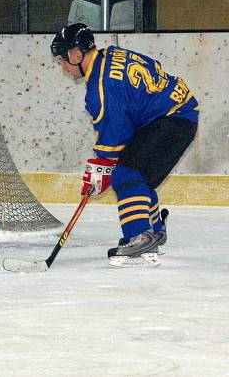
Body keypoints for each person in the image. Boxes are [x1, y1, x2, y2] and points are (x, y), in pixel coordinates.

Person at [50, 23, 199, 267]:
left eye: (62, 60)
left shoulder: (100, 86)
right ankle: (154, 231)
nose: (63, 67)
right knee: (138, 175)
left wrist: (101, 168)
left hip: (173, 119)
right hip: (177, 112)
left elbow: (114, 135)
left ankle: (139, 237)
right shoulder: (112, 54)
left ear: (76, 54)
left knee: (126, 175)